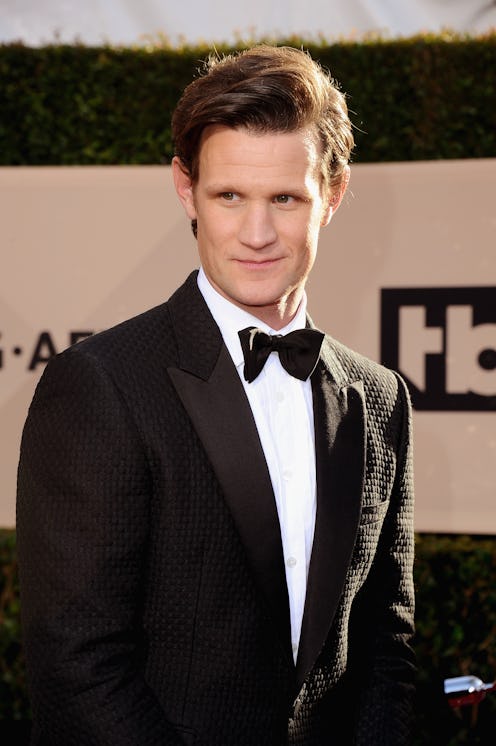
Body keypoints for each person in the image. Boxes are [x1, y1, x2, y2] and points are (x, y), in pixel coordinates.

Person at [17, 45, 416, 745]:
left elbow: (386, 639)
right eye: (229, 196)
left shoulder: (379, 399)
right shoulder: (101, 384)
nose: (256, 235)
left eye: (285, 198)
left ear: (333, 193)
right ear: (186, 187)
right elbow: (76, 663)